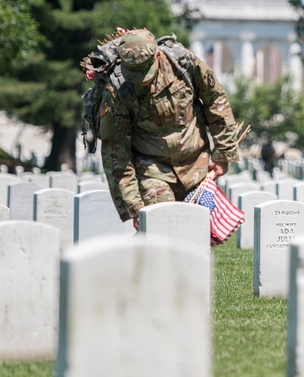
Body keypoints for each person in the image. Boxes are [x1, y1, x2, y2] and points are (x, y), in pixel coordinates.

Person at [97, 29, 240, 231]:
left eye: (145, 71)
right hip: (152, 168)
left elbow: (215, 100)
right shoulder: (117, 91)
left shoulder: (182, 63)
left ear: (156, 55)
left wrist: (224, 153)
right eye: (134, 73)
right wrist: (134, 206)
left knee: (194, 232)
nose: (141, 80)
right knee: (161, 225)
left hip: (195, 164)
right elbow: (115, 152)